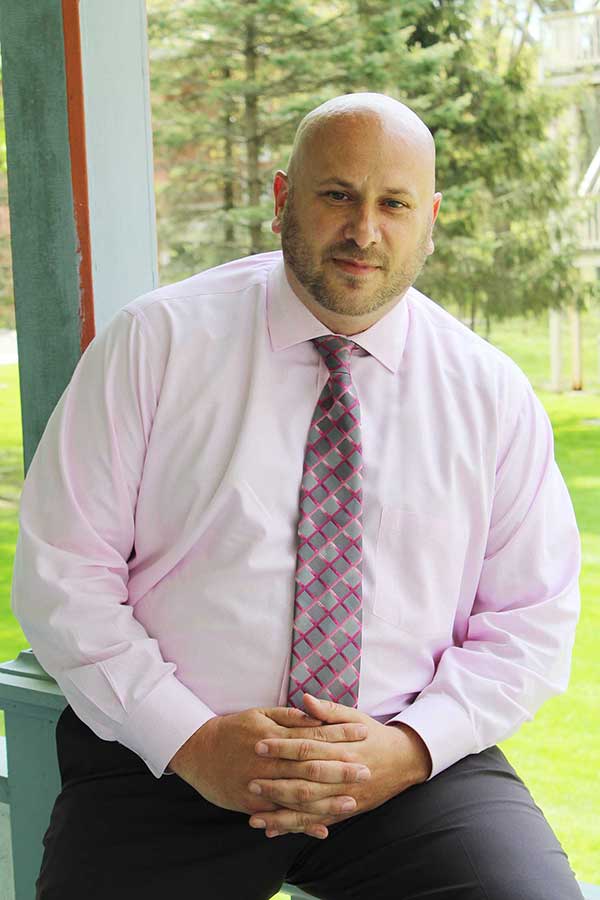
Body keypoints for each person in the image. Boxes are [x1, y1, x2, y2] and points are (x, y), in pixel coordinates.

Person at [11, 92, 583, 899]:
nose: (364, 230)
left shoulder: (489, 393)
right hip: (169, 759)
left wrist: (415, 745)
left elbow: (532, 618)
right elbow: (63, 575)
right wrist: (191, 740)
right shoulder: (157, 344)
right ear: (284, 197)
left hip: (400, 766)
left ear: (432, 218)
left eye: (394, 204)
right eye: (337, 195)